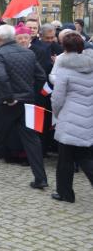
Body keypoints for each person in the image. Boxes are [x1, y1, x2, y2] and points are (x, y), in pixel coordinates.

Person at [0, 25, 49, 189]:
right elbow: (41, 76)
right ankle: (41, 177)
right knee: (31, 139)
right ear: (14, 37)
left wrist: (9, 97)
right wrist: (29, 91)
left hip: (7, 102)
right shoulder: (29, 53)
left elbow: (1, 76)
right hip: (27, 101)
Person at [50, 34, 93, 202]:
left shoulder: (65, 69)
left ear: (65, 48)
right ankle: (65, 193)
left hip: (69, 117)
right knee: (83, 156)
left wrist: (57, 113)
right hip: (87, 116)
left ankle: (65, 193)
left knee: (66, 159)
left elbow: (57, 98)